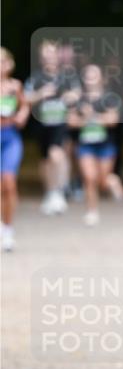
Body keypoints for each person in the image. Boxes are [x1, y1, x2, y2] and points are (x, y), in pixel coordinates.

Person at [24, 40, 81, 215]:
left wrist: (69, 98)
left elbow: (77, 93)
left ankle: (61, 191)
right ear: (41, 58)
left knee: (57, 154)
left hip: (61, 123)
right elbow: (25, 98)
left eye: (52, 53)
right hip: (42, 124)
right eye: (46, 54)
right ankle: (51, 193)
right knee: (45, 160)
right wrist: (40, 94)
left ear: (58, 56)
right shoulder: (36, 77)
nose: (49, 57)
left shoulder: (68, 76)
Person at [67, 64, 123, 226]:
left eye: (94, 75)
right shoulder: (78, 100)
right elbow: (71, 122)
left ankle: (112, 180)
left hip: (106, 145)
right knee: (89, 178)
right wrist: (88, 120)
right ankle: (92, 211)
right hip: (85, 145)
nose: (90, 78)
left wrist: (91, 115)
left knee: (102, 181)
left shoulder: (109, 98)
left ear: (101, 78)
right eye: (87, 75)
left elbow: (113, 121)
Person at [0, 47, 30, 251]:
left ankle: (8, 230)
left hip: (10, 138)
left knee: (9, 183)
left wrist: (22, 115)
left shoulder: (15, 86)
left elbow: (25, 105)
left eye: (3, 61)